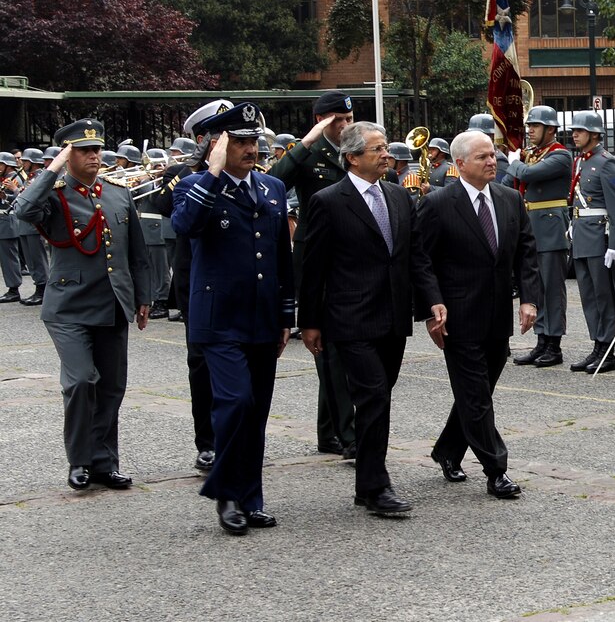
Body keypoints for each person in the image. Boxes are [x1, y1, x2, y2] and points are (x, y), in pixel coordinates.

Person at [299, 122, 445, 514]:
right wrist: (309, 321)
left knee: (377, 399)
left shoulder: (398, 197)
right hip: (350, 319)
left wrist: (432, 301)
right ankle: (376, 486)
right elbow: (313, 267)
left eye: (386, 149)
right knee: (374, 395)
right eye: (377, 150)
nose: (387, 155)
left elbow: (416, 255)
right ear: (352, 157)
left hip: (393, 317)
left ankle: (367, 484)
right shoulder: (328, 201)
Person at [172, 102, 294, 535]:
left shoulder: (272, 187)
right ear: (217, 144)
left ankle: (250, 497)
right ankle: (226, 494)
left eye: (253, 141)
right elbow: (186, 226)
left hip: (261, 317)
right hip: (218, 319)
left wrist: (285, 312)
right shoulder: (192, 186)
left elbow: (281, 254)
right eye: (239, 142)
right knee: (235, 403)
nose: (251, 149)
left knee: (256, 412)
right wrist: (214, 173)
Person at [14, 119, 151, 490]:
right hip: (69, 307)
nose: (94, 155)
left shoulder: (118, 193)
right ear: (67, 154)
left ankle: (105, 463)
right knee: (80, 382)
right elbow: (22, 210)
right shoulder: (54, 194)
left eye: (97, 149)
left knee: (111, 387)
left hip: (112, 302)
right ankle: (79, 461)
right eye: (83, 150)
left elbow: (136, 252)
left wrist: (143, 296)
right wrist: (52, 168)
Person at [416, 130, 542, 499]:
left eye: (493, 155)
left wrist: (529, 299)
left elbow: (526, 252)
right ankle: (496, 469)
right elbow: (421, 260)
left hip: (497, 315)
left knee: (478, 392)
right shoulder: (438, 204)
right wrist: (429, 309)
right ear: (460, 165)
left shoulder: (508, 199)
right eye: (483, 157)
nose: (492, 162)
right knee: (475, 396)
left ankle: (447, 451)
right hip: (457, 318)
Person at [268, 91, 356, 459]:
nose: (344, 126)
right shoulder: (308, 153)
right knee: (328, 348)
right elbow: (275, 183)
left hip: (351, 256)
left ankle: (328, 433)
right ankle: (349, 436)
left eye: (348, 119)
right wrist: (306, 142)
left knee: (338, 350)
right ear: (320, 120)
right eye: (336, 120)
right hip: (316, 257)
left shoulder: (356, 149)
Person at [153, 99, 233, 471]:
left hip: (238, 278)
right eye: (219, 134)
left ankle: (236, 437)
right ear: (202, 139)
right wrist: (204, 166)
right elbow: (166, 205)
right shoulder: (182, 174)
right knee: (201, 363)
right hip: (197, 281)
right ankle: (208, 441)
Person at [507, 105, 573, 368]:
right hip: (533, 226)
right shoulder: (534, 154)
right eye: (530, 126)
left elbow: (527, 174)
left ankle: (553, 345)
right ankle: (541, 340)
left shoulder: (560, 155)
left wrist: (514, 162)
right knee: (536, 288)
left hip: (550, 227)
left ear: (551, 129)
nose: (530, 130)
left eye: (535, 126)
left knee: (552, 289)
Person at [566, 110, 615, 374]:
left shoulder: (606, 162)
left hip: (599, 237)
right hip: (582, 234)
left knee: (604, 296)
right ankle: (598, 345)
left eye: (579, 131)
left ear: (593, 134)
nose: (574, 135)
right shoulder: (580, 161)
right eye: (574, 131)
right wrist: (573, 223)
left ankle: (608, 351)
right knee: (588, 296)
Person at [13, 148, 48, 306]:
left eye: (25, 161)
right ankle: (38, 286)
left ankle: (43, 289)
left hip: (34, 225)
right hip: (25, 224)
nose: (22, 163)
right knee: (30, 259)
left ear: (33, 162)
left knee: (37, 259)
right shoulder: (31, 177)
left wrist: (15, 191)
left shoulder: (40, 177)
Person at [0, 152, 23, 303]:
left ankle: (14, 289)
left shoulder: (15, 178)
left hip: (7, 221)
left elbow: (23, 197)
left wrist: (8, 195)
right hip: (3, 221)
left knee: (9, 258)